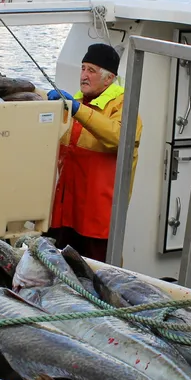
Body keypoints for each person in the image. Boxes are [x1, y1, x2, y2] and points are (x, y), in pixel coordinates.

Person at [44, 42, 143, 262]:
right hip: (65, 216)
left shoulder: (124, 105)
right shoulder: (76, 102)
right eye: (82, 68)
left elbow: (118, 137)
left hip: (99, 223)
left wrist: (78, 111)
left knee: (101, 278)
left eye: (91, 70)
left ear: (109, 78)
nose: (83, 76)